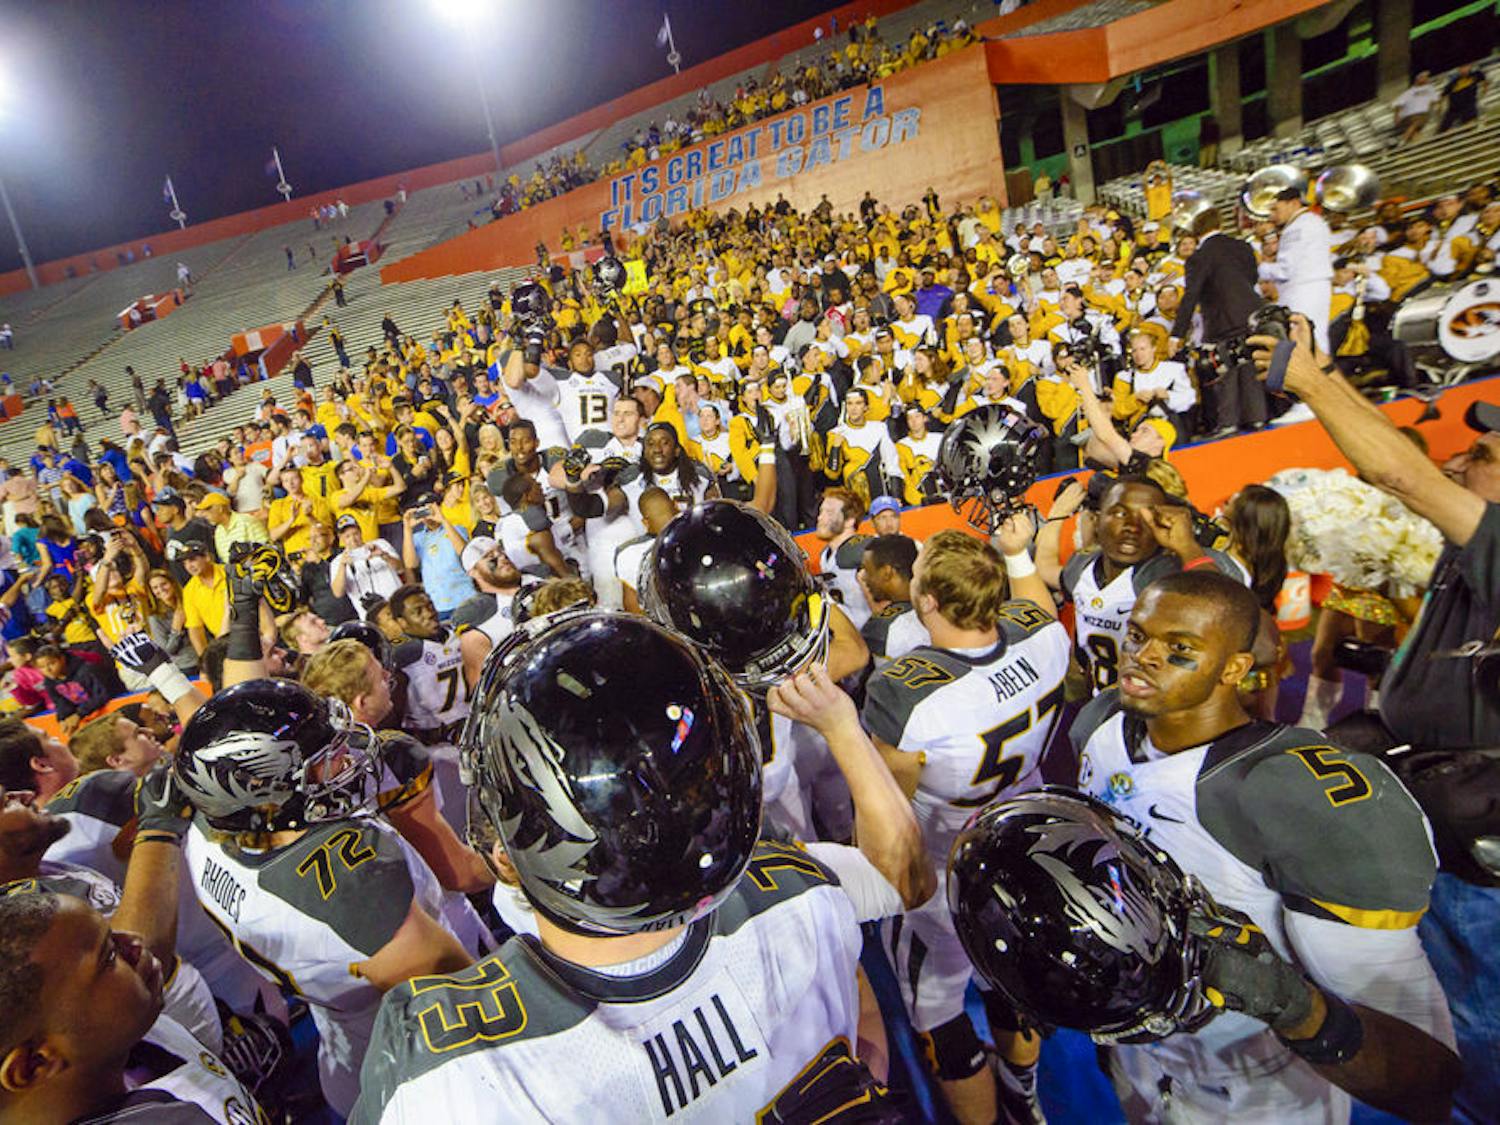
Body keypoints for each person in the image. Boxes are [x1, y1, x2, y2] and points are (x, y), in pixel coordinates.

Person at [350, 611, 929, 1124]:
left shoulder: (444, 1068)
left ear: (509, 851)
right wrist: (841, 725)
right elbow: (904, 883)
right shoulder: (803, 895)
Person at [1069, 570, 1459, 1121]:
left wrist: (1297, 1008)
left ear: (1235, 668)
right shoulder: (1102, 723)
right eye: (1138, 636)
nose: (1143, 656)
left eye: (1179, 647)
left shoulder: (1285, 794)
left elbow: (1428, 1072)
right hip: (1139, 1057)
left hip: (1257, 1091)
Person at [1251, 328, 1500, 1117]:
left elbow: (1401, 471)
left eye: (1482, 452)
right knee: (1456, 1019)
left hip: (1485, 863)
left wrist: (1308, 385)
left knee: (1484, 1025)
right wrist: (1329, 376)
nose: (1459, 461)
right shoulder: (1468, 554)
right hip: (1448, 840)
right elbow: (1401, 466)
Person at [174, 679, 479, 1118]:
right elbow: (469, 1007)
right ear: (265, 791)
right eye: (328, 760)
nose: (349, 759)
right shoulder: (350, 880)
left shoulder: (210, 832)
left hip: (343, 1048)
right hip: (414, 1067)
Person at [861, 525, 1066, 1123]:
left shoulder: (906, 692)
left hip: (946, 866)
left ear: (927, 600)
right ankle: (1023, 1095)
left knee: (938, 1011)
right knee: (1009, 976)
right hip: (1024, 843)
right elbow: (1034, 603)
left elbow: (887, 811)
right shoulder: (1045, 633)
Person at [1038, 475, 1243, 694]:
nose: (1131, 527)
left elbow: (1226, 605)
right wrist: (1057, 516)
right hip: (1105, 705)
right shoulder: (1084, 567)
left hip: (1155, 708)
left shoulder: (1165, 577)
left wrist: (1187, 547)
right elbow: (1046, 568)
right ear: (1097, 520)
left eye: (1145, 518)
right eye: (1119, 513)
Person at [1171, 207, 1267, 432]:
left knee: (1225, 369)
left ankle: (1228, 422)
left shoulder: (1199, 257)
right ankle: (1257, 417)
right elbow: (1252, 278)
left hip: (1222, 320)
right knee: (1248, 365)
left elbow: (1191, 295)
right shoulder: (1243, 246)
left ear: (1197, 231)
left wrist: (1177, 333)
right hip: (1251, 313)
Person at [1261, 187, 1334, 354]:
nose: (1272, 215)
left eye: (1275, 209)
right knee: (1317, 339)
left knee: (1300, 339)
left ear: (1293, 203)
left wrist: (1259, 268)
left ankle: (1308, 378)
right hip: (1315, 288)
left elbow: (1284, 271)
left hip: (1301, 291)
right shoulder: (1315, 221)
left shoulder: (1297, 227)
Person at [1438, 63, 1488, 132]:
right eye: (1461, 68)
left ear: (1470, 66)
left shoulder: (1476, 74)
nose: (1463, 70)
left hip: (1469, 104)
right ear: (1458, 69)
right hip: (1454, 108)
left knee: (1471, 124)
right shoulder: (1454, 81)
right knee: (1443, 130)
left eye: (1465, 67)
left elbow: (1484, 80)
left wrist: (1484, 91)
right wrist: (1440, 107)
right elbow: (1443, 95)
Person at [1393, 70, 1440, 143]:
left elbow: (1435, 101)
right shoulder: (1409, 92)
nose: (1426, 79)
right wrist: (1396, 116)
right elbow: (1397, 104)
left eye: (1426, 77)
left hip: (1422, 114)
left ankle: (1404, 141)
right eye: (1423, 77)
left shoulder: (1430, 89)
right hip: (1408, 117)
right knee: (1416, 126)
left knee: (1417, 123)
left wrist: (1435, 109)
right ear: (1417, 78)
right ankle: (1406, 141)